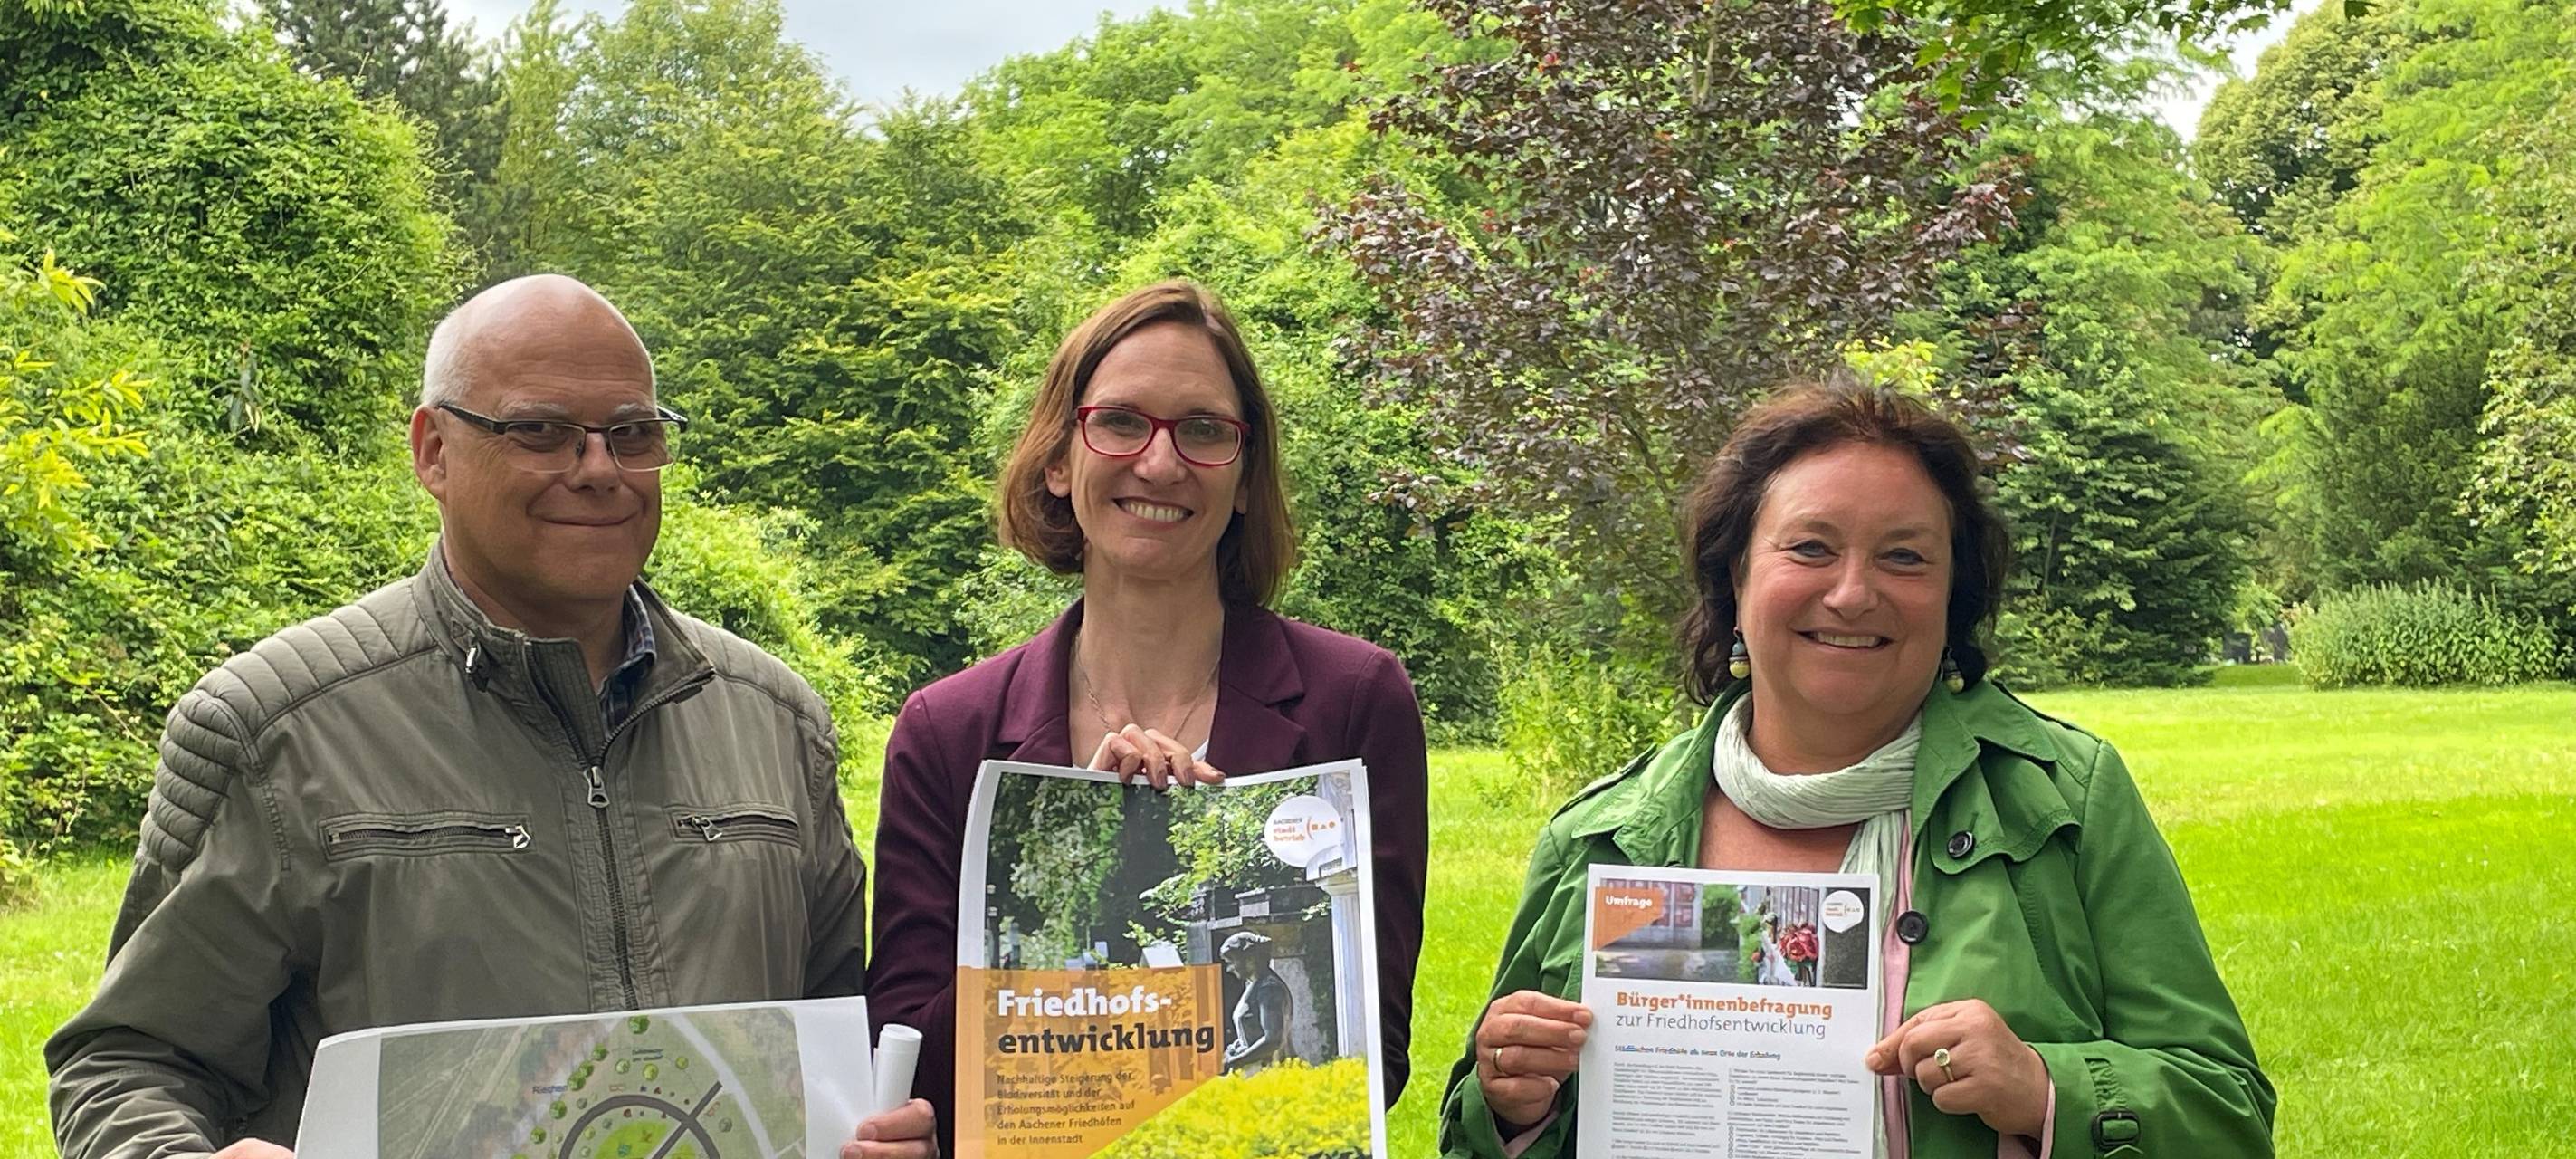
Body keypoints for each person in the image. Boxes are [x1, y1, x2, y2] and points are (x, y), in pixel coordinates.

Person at [45, 275, 936, 1159]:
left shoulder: (775, 723)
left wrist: (877, 1126)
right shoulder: (274, 727)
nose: (598, 470)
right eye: (539, 430)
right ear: (432, 450)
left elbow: (828, 1052)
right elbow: (129, 1060)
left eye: (633, 433)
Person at [1439, 376, 2274, 1157]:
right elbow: (1479, 1135)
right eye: (1810, 547)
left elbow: (2229, 1111)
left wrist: (2042, 1087)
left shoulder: (2064, 798)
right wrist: (1514, 1101)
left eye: (1905, 557)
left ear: (1955, 596)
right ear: (1737, 575)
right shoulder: (1600, 838)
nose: (1851, 594)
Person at [868, 279, 1429, 1149]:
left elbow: (1370, 1062)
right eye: (1122, 422)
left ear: (1244, 478)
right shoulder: (948, 731)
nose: (1161, 464)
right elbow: (907, 1067)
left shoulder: (1354, 700)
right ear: (1060, 459)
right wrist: (1076, 861)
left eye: (1204, 431)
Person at [1218, 932, 1293, 1075]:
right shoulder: (1253, 985)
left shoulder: (1269, 988)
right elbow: (1250, 1034)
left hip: (1269, 1073)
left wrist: (1234, 1062)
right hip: (1253, 1072)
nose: (1229, 969)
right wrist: (1234, 1049)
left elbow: (1272, 1040)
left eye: (1231, 962)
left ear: (1250, 959)